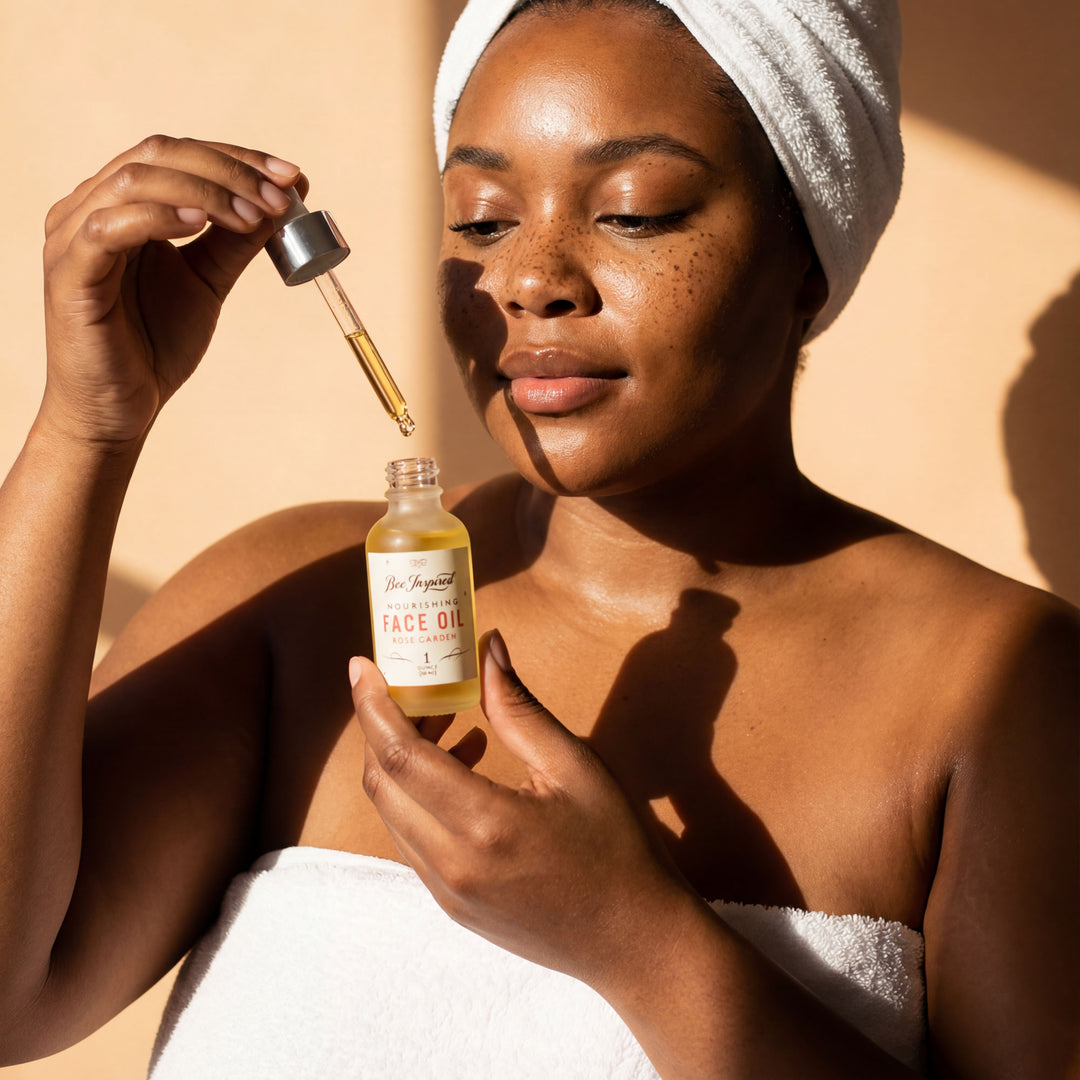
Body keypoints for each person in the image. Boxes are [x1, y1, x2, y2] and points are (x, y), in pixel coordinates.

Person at [0, 0, 1076, 1076]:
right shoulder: (298, 603)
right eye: (481, 219)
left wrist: (645, 948)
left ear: (808, 246)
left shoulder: (996, 686)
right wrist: (86, 428)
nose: (528, 280)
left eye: (635, 212)